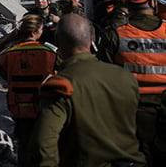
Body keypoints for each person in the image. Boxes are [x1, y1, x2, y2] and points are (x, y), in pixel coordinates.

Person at [28, 14, 146, 167]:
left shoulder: (60, 86)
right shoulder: (126, 77)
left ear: (58, 43)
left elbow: (43, 145)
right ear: (92, 40)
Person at [98, 0, 166, 165]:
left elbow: (103, 75)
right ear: (152, 1)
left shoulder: (115, 34)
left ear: (126, 3)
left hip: (131, 112)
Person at [0, 14, 57, 166]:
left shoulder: (9, 53)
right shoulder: (50, 53)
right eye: (41, 29)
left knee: (24, 145)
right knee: (43, 146)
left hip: (19, 107)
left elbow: (3, 72)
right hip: (42, 106)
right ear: (35, 32)